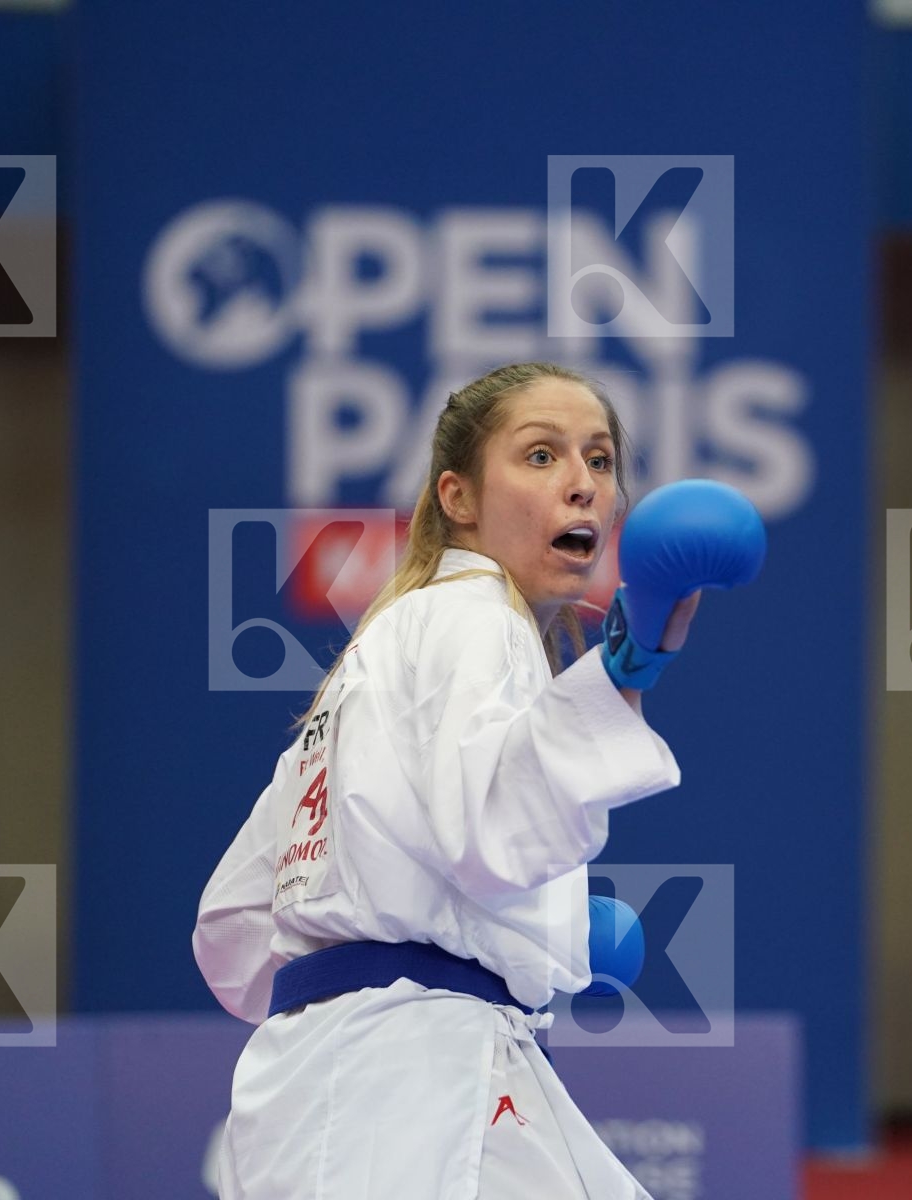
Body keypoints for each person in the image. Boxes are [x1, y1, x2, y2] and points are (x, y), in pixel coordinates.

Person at [193, 362, 706, 1199]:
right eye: (541, 456)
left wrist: (538, 930)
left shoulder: (373, 657)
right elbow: (494, 834)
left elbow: (233, 931)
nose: (581, 484)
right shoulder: (473, 617)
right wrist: (624, 667)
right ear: (458, 498)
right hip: (401, 1078)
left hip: (349, 1068)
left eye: (601, 460)